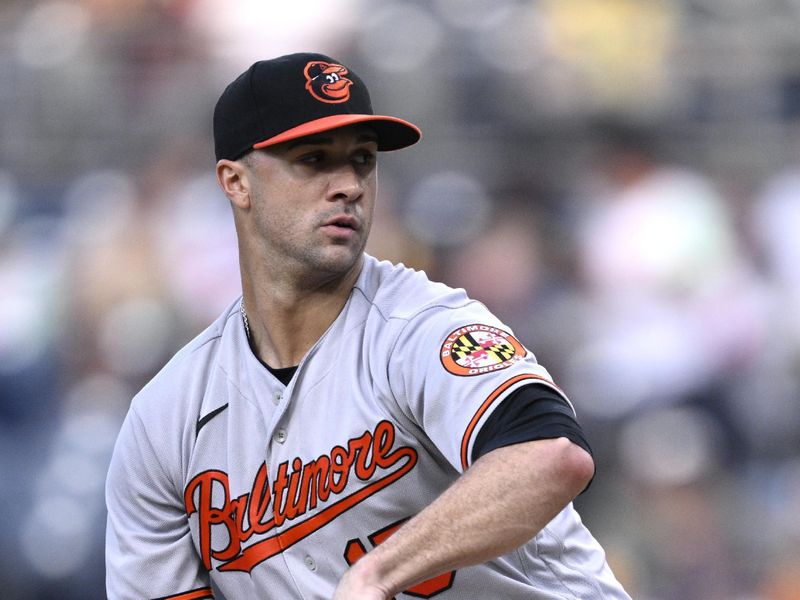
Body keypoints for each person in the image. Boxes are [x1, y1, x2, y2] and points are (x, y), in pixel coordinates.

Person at [105, 52, 631, 600]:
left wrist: (377, 572)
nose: (348, 185)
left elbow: (551, 456)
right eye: (313, 160)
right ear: (236, 183)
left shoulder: (421, 327)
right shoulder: (166, 419)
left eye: (361, 160)